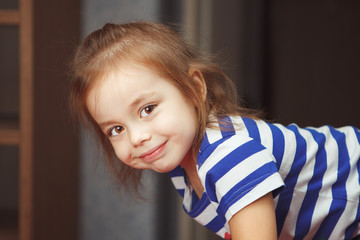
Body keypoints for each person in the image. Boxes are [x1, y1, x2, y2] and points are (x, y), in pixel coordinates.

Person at [69, 22, 360, 239]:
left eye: (148, 109)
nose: (136, 137)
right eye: (116, 129)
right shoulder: (178, 166)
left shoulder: (227, 155)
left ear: (195, 88)